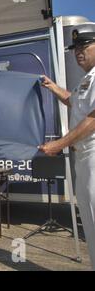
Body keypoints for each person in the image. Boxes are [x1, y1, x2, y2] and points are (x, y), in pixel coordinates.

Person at [39, 22, 95, 269]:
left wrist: (58, 144)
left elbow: (93, 119)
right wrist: (52, 87)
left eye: (85, 45)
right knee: (89, 221)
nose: (78, 51)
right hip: (84, 158)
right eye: (75, 47)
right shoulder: (88, 79)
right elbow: (75, 102)